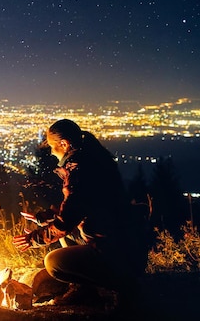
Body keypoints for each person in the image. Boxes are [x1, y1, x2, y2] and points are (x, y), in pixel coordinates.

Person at [13, 119, 146, 310]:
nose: (51, 151)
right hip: (123, 243)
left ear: (64, 144)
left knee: (52, 262)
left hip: (113, 250)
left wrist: (33, 239)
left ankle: (119, 286)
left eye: (52, 146)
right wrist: (45, 217)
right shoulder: (92, 158)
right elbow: (78, 206)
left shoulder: (79, 170)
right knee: (67, 234)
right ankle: (87, 288)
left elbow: (66, 222)